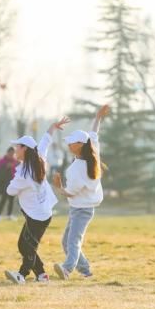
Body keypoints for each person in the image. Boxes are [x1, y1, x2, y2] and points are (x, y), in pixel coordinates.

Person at [4, 116, 70, 285]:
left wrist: (14, 177)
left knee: (26, 246)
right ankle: (41, 275)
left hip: (36, 217)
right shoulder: (39, 157)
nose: (15, 150)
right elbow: (46, 140)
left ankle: (21, 275)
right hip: (43, 214)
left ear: (25, 149)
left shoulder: (24, 173)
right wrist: (52, 127)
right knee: (27, 245)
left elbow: (10, 191)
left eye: (17, 147)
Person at [52, 105, 110, 280]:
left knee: (73, 241)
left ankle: (67, 269)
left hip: (80, 209)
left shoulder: (78, 169)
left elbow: (69, 193)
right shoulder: (93, 152)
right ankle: (85, 270)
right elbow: (94, 133)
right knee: (66, 241)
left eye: (72, 142)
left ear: (79, 145)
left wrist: (58, 186)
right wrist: (97, 117)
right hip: (81, 207)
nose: (69, 145)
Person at [0, 147, 19, 221]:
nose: (11, 155)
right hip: (4, 183)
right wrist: (6, 166)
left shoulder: (15, 161)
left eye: (13, 153)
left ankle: (9, 215)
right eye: (10, 153)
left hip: (13, 183)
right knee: (3, 199)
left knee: (11, 199)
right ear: (7, 152)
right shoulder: (2, 160)